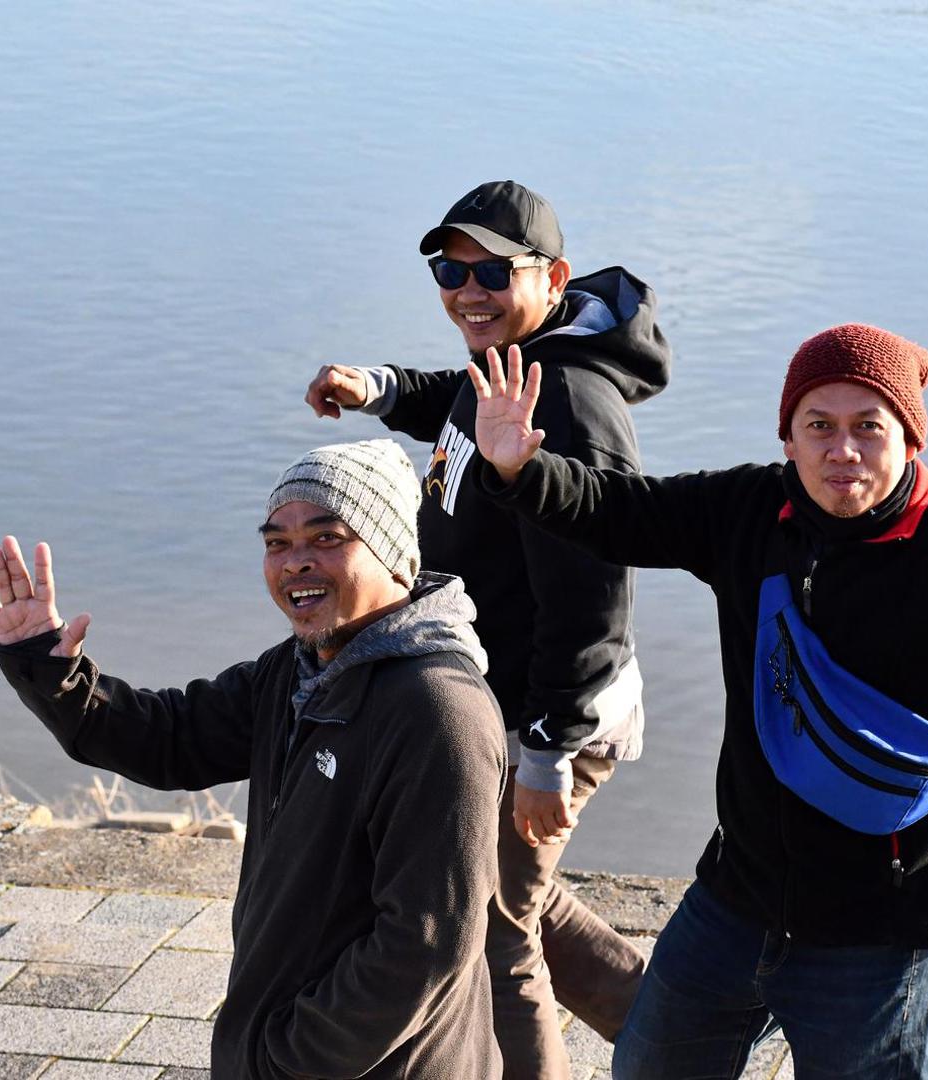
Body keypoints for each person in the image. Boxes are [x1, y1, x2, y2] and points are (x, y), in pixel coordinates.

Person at [465, 325, 928, 1079]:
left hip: (878, 923)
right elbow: (620, 511)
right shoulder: (751, 510)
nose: (841, 450)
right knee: (650, 1066)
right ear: (789, 440)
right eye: (819, 427)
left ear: (909, 439)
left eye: (868, 427)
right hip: (739, 896)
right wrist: (520, 471)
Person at [0, 439, 506, 1080]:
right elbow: (171, 739)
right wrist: (46, 665)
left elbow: (424, 945)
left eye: (327, 538)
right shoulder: (299, 670)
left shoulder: (437, 712)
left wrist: (287, 1057)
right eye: (276, 543)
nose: (294, 564)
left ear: (392, 552)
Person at [305, 180, 668, 1076]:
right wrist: (382, 389)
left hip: (551, 711)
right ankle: (684, 1026)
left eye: (492, 273)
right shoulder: (512, 362)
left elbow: (594, 598)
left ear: (553, 277)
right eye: (448, 268)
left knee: (494, 929)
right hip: (500, 698)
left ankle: (674, 1032)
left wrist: (546, 754)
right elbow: (459, 402)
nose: (467, 290)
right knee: (517, 897)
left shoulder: (569, 403)